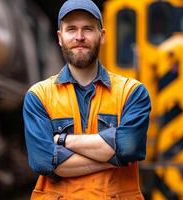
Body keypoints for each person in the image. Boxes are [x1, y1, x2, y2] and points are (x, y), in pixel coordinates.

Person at [23, 0, 151, 199]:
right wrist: (115, 157)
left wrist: (63, 141)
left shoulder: (132, 93)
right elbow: (43, 161)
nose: (79, 37)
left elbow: (129, 147)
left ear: (102, 36)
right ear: (60, 37)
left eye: (88, 29)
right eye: (71, 29)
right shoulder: (38, 96)